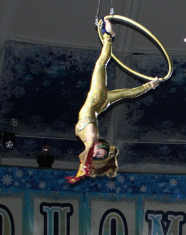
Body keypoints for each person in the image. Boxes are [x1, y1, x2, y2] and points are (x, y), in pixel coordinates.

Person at [68, 17, 161, 182]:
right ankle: (108, 36)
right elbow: (90, 147)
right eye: (99, 153)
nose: (96, 153)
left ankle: (150, 84)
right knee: (102, 65)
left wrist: (84, 168)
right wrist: (84, 167)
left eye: (97, 154)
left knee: (122, 88)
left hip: (98, 104)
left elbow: (90, 148)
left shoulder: (91, 141)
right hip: (98, 101)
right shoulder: (91, 139)